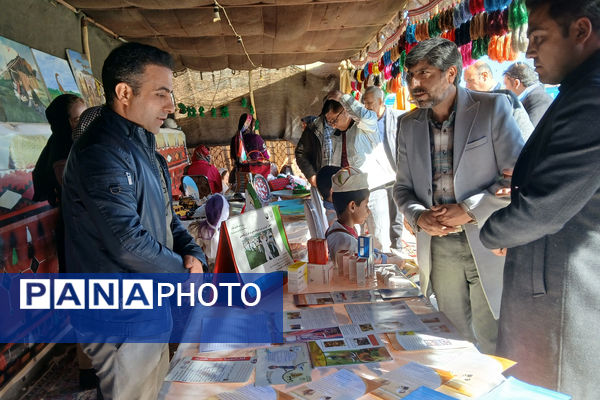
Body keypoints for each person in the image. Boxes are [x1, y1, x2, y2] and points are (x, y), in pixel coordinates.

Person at [61, 42, 207, 400]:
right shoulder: (101, 152)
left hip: (147, 304)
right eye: (161, 94)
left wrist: (194, 254)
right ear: (124, 93)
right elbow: (126, 241)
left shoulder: (144, 150)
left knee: (154, 391)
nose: (171, 106)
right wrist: (181, 272)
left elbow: (167, 218)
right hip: (118, 314)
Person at [479, 1, 600, 397]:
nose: (528, 51)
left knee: (552, 386)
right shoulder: (579, 90)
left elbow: (545, 210)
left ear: (581, 31)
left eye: (538, 37)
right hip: (548, 281)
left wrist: (493, 230)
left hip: (565, 295)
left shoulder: (592, 99)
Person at [393, 38, 524, 354]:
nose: (415, 82)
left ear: (451, 73)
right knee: (452, 337)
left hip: (489, 240)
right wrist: (418, 216)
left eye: (425, 73)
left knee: (494, 336)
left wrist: (468, 209)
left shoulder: (492, 108)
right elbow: (402, 188)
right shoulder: (407, 124)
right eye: (411, 74)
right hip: (439, 246)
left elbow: (517, 175)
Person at [324, 90, 396, 252]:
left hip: (373, 191)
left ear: (346, 111)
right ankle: (366, 274)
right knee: (359, 242)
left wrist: (343, 98)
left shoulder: (365, 126)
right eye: (330, 122)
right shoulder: (337, 136)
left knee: (378, 238)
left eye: (334, 119)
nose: (333, 124)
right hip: (352, 196)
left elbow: (364, 116)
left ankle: (382, 269)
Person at [325, 167, 405, 269]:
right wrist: (388, 261)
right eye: (366, 205)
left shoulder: (340, 229)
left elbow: (363, 253)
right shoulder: (345, 241)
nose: (369, 211)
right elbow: (363, 263)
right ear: (352, 206)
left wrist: (384, 255)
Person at [362, 85, 405, 254]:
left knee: (396, 214)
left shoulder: (398, 118)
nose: (367, 107)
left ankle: (397, 247)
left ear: (380, 102)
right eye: (365, 104)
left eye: (370, 103)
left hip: (395, 174)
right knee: (380, 217)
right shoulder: (364, 122)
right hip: (376, 178)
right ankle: (384, 250)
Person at [465, 62, 534, 139]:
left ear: (484, 76)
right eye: (465, 82)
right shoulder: (476, 102)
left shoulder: (507, 99)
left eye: (470, 80)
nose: (467, 86)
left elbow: (524, 137)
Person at [295, 101, 335, 187]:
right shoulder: (313, 128)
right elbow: (301, 153)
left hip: (344, 185)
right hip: (321, 183)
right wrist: (311, 176)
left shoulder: (350, 128)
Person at [503, 61, 553, 126]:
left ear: (516, 83)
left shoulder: (539, 100)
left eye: (506, 84)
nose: (505, 88)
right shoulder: (536, 97)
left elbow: (529, 134)